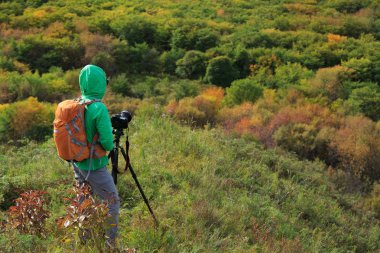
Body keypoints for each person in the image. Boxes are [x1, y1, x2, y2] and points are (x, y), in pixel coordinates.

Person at [72, 64, 120, 248]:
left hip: (77, 162)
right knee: (112, 201)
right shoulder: (98, 108)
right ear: (101, 84)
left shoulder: (77, 103)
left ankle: (83, 240)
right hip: (95, 165)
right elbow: (108, 143)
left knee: (84, 201)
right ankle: (110, 244)